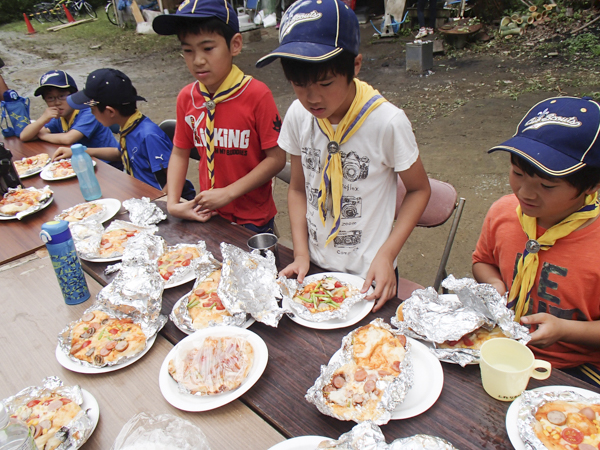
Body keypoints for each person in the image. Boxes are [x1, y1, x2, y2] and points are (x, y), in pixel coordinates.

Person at [256, 0, 431, 311]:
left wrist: (387, 255)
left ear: (356, 66)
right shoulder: (299, 114)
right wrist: (300, 254)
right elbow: (297, 189)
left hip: (370, 273)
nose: (312, 98)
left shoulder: (387, 123)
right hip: (315, 268)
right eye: (299, 84)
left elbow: (419, 190)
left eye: (325, 83)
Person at [472, 96, 600, 387]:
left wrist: (566, 330)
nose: (525, 193)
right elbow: (483, 262)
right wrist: (494, 285)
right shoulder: (504, 213)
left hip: (575, 368)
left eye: (547, 185)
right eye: (517, 174)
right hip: (500, 348)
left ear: (591, 185)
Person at [152, 0, 286, 233]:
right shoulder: (187, 97)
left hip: (253, 219)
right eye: (188, 50)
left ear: (234, 45)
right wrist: (173, 203)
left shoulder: (256, 94)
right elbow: (180, 151)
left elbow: (276, 159)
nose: (198, 60)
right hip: (208, 214)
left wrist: (229, 193)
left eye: (207, 48)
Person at [52, 68, 195, 199]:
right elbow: (121, 153)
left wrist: (159, 202)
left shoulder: (148, 136)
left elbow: (176, 177)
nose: (91, 113)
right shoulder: (128, 127)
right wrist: (82, 151)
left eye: (92, 109)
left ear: (110, 112)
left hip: (168, 200)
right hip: (142, 194)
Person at [19, 70, 118, 154]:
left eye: (62, 96)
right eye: (50, 98)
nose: (57, 102)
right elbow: (24, 136)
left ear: (74, 95)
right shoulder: (59, 116)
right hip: (83, 159)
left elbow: (68, 138)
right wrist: (42, 120)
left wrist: (42, 135)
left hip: (108, 164)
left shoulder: (88, 111)